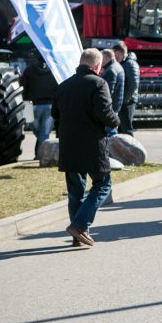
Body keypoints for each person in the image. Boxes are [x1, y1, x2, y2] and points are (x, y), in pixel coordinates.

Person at [52, 48, 120, 246]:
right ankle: (80, 226)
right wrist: (116, 122)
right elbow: (106, 114)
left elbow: (55, 114)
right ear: (97, 66)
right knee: (103, 184)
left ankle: (77, 236)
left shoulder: (63, 86)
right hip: (92, 146)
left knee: (75, 192)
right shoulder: (99, 83)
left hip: (69, 146)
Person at [21, 55, 57, 159]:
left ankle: (40, 155)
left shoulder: (28, 71)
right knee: (44, 133)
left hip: (31, 105)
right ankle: (41, 156)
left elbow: (23, 87)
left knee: (37, 131)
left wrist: (25, 102)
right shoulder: (54, 71)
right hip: (50, 105)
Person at [112, 41, 139, 136]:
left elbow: (133, 83)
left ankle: (130, 149)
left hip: (128, 101)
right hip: (124, 100)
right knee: (122, 128)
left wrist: (125, 99)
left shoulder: (130, 64)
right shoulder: (125, 63)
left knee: (126, 128)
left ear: (120, 52)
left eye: (115, 54)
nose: (114, 57)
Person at [100, 49, 124, 136]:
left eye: (100, 58)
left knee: (111, 133)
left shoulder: (111, 70)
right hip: (115, 105)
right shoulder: (117, 66)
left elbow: (107, 92)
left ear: (106, 58)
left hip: (111, 108)